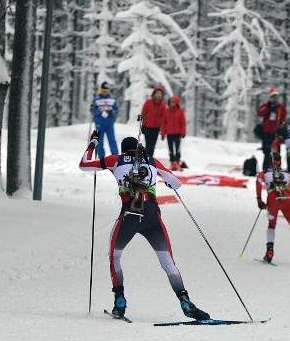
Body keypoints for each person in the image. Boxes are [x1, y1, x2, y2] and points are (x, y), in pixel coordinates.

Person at [79, 133, 209, 320]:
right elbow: (177, 183)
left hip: (129, 215)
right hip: (152, 216)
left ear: (124, 150)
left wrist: (93, 143)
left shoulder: (115, 160)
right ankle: (185, 301)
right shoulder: (152, 161)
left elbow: (84, 164)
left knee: (115, 256)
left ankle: (120, 299)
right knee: (168, 262)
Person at [256, 89, 287, 171]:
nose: (275, 99)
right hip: (266, 133)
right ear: (270, 98)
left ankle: (275, 169)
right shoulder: (266, 106)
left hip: (276, 133)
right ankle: (266, 170)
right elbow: (260, 113)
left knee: (276, 153)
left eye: (276, 98)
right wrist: (269, 107)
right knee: (266, 152)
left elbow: (283, 117)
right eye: (273, 98)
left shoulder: (280, 108)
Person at [90, 82, 119, 158]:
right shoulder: (96, 99)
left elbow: (117, 111)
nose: (105, 92)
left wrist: (112, 112)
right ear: (101, 90)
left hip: (109, 123)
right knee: (99, 141)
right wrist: (99, 110)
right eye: (103, 90)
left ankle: (115, 157)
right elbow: (93, 111)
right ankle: (101, 157)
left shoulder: (112, 99)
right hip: (99, 123)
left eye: (106, 90)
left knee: (112, 140)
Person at [161, 95, 187, 171]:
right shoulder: (166, 111)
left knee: (177, 149)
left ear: (177, 103)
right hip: (169, 133)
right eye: (171, 102)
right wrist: (163, 133)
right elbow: (163, 122)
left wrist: (183, 132)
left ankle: (177, 163)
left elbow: (183, 122)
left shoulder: (180, 111)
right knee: (171, 149)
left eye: (174, 102)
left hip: (178, 133)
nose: (172, 103)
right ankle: (172, 163)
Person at [140, 86, 166, 158]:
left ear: (162, 95)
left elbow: (163, 118)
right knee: (148, 144)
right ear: (154, 94)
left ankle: (150, 159)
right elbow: (143, 113)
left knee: (153, 145)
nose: (158, 95)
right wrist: (143, 125)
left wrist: (163, 131)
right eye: (157, 93)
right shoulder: (148, 102)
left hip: (156, 128)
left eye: (160, 93)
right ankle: (146, 158)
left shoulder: (163, 105)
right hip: (147, 126)